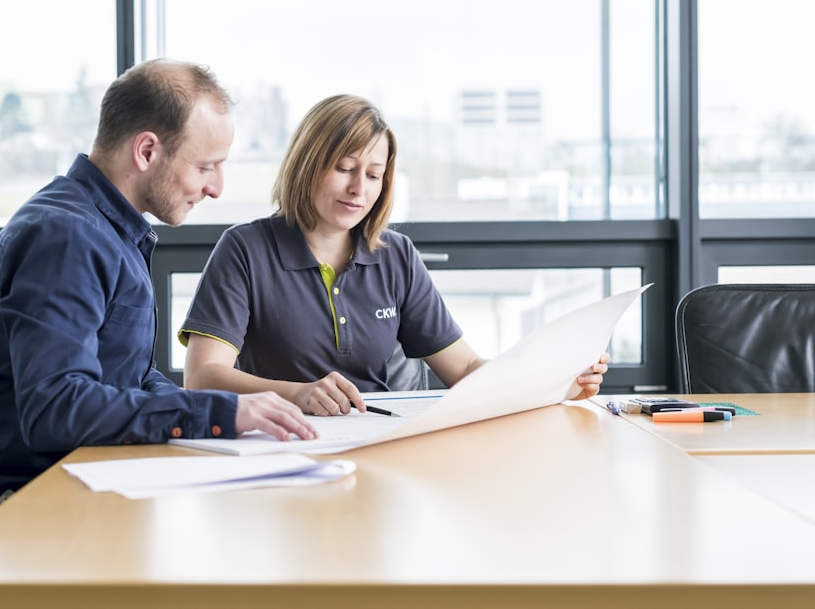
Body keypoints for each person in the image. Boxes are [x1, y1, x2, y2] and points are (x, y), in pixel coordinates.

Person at [0, 59, 317, 564]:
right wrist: (218, 412)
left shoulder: (112, 233)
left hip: (58, 498)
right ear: (147, 150)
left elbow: (134, 378)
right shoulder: (66, 237)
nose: (216, 187)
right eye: (206, 165)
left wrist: (221, 427)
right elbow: (56, 408)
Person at [178, 94, 609, 416]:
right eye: (344, 169)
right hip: (284, 440)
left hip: (376, 438)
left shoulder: (396, 256)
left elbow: (466, 368)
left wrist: (556, 382)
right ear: (307, 164)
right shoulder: (244, 250)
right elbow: (202, 377)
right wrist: (297, 393)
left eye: (373, 175)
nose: (358, 189)